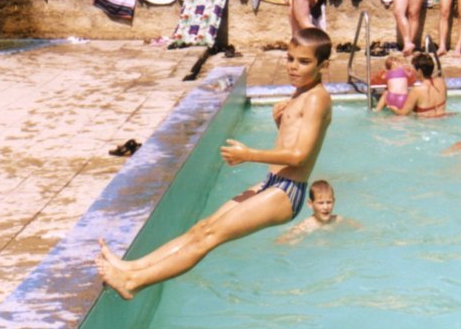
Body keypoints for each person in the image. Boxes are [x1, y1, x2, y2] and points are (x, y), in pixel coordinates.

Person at [96, 28, 333, 300]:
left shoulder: (317, 98)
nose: (293, 66)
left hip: (287, 192)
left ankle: (133, 283)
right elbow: (294, 143)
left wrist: (249, 154)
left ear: (323, 66)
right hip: (273, 183)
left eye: (304, 62)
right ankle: (132, 267)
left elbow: (300, 156)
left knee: (211, 236)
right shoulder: (301, 92)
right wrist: (281, 123)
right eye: (290, 58)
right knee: (202, 228)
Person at [276, 180, 345, 244]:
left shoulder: (337, 219)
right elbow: (280, 241)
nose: (326, 207)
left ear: (334, 201)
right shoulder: (305, 226)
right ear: (310, 204)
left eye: (329, 202)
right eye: (321, 203)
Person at [387, 52, 448, 117]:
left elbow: (403, 113)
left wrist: (392, 108)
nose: (412, 70)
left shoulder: (416, 91)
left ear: (419, 71)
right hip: (443, 117)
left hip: (426, 121)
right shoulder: (441, 82)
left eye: (413, 68)